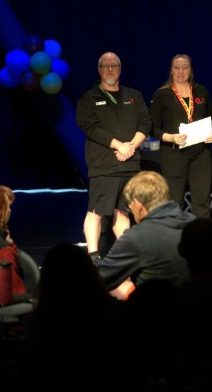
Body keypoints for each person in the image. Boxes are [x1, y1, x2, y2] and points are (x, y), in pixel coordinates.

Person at [76, 52, 151, 265]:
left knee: (123, 211)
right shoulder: (89, 98)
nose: (110, 70)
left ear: (120, 69)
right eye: (105, 66)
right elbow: (89, 127)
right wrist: (119, 145)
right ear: (99, 70)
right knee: (96, 211)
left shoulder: (133, 95)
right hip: (104, 164)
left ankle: (125, 252)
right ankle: (93, 255)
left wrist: (131, 147)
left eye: (114, 66)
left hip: (129, 163)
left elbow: (145, 122)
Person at [150, 53, 212, 218]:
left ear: (191, 71)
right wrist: (170, 137)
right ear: (171, 71)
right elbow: (152, 128)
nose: (181, 72)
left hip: (200, 153)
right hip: (174, 153)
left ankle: (201, 239)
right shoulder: (162, 95)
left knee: (202, 201)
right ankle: (173, 241)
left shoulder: (200, 91)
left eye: (185, 68)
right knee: (174, 202)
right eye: (177, 68)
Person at [98, 171, 195, 292]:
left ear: (139, 205)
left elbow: (98, 280)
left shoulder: (137, 237)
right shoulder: (193, 222)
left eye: (129, 205)